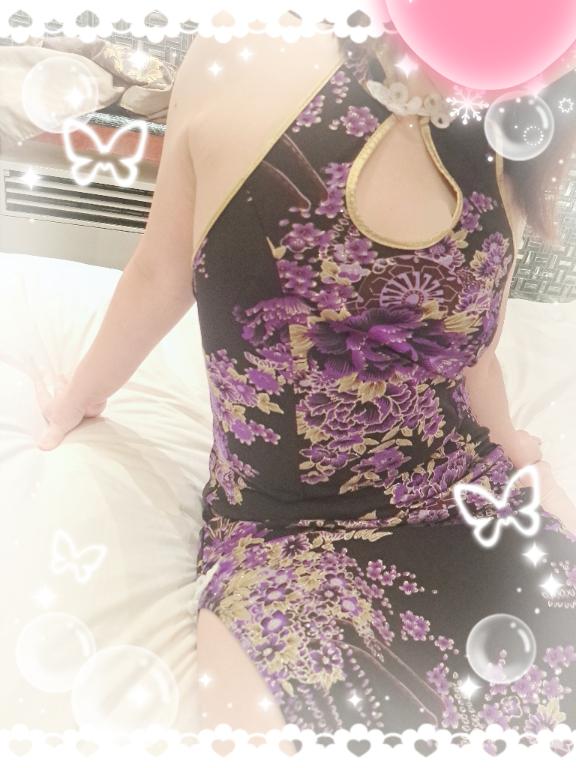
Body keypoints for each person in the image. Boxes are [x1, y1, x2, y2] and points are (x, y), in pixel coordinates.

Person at [34, 14, 576, 751]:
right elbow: (476, 343)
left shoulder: (248, 46)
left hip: (439, 501)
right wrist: (79, 399)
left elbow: (162, 274)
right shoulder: (507, 111)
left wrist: (514, 448)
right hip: (290, 536)